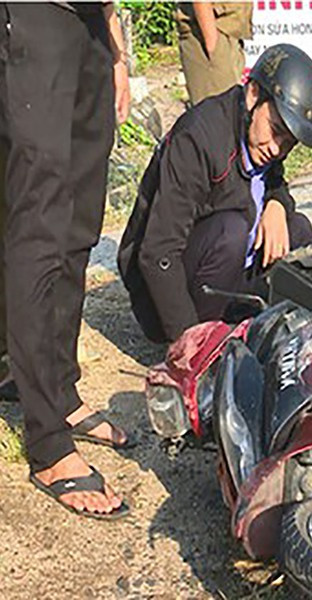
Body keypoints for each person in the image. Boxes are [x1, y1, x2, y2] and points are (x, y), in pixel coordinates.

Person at [0, 2, 133, 519]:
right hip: (36, 13)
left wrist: (116, 47)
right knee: (41, 220)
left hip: (91, 22)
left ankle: (58, 388)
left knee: (79, 222)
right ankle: (49, 443)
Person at [118, 44, 312, 344]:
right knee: (232, 231)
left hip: (222, 279)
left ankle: (261, 333)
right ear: (253, 95)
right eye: (276, 130)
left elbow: (274, 182)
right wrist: (187, 343)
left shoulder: (262, 142)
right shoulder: (198, 138)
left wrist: (277, 203)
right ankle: (207, 344)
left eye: (288, 143)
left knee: (298, 230)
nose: (278, 148)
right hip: (163, 296)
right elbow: (157, 252)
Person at [176, 1, 253, 105]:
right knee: (217, 113)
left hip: (227, 32)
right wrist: (212, 43)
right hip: (210, 32)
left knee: (230, 111)